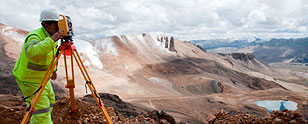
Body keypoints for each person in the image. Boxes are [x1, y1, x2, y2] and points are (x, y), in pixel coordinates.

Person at [12, 8, 63, 124]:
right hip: (29, 79)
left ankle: (37, 121)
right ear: (47, 25)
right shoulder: (35, 36)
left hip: (42, 78)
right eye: (56, 24)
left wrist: (53, 70)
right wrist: (53, 39)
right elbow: (32, 52)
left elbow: (50, 56)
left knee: (50, 101)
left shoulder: (50, 36)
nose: (59, 27)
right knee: (42, 111)